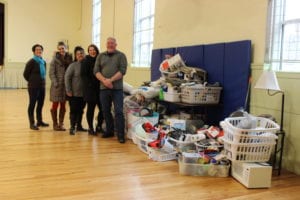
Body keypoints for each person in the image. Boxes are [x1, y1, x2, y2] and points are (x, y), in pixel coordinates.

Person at [94, 37, 127, 143]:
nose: (110, 45)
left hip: (117, 89)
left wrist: (111, 80)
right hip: (103, 89)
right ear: (106, 44)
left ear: (116, 44)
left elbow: (122, 71)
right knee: (105, 111)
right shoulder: (100, 56)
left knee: (118, 111)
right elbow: (96, 71)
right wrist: (105, 81)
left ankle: (121, 135)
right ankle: (109, 131)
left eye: (112, 43)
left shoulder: (121, 56)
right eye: (108, 43)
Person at [23, 44, 49, 130]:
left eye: (40, 49)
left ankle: (39, 121)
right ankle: (32, 123)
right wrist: (32, 82)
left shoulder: (43, 62)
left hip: (42, 86)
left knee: (40, 104)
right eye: (37, 49)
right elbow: (25, 74)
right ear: (34, 51)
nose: (39, 51)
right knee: (32, 104)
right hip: (33, 87)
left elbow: (44, 74)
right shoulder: (31, 62)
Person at [81, 44, 104, 135]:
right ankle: (90, 128)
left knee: (102, 109)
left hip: (100, 89)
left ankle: (99, 126)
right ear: (88, 51)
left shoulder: (100, 60)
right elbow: (84, 75)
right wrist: (91, 84)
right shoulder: (85, 61)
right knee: (90, 109)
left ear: (96, 50)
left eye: (93, 49)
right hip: (90, 90)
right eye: (90, 50)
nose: (92, 51)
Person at [49, 41, 73, 131]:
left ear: (66, 49)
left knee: (63, 105)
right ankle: (55, 124)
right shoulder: (54, 60)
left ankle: (61, 123)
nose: (61, 50)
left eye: (63, 48)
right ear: (57, 50)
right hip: (57, 86)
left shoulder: (70, 59)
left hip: (66, 86)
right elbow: (51, 73)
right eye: (59, 49)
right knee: (55, 104)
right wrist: (56, 83)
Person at [65, 46, 87, 135]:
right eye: (78, 54)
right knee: (74, 110)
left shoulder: (87, 64)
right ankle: (72, 127)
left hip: (84, 93)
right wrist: (68, 90)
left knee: (81, 110)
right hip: (74, 93)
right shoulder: (72, 65)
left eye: (81, 53)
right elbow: (67, 78)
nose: (80, 55)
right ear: (75, 56)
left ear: (84, 54)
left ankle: (79, 126)